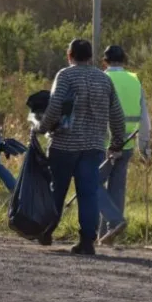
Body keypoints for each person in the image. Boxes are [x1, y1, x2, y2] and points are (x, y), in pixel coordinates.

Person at [35, 39, 125, 255]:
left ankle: (47, 231)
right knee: (88, 193)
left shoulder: (65, 75)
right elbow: (116, 114)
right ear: (91, 57)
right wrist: (116, 141)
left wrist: (42, 127)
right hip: (93, 146)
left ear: (70, 55)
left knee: (57, 189)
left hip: (65, 145)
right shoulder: (104, 80)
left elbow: (55, 105)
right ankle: (87, 241)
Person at [97, 45, 152, 245]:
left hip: (104, 143)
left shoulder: (102, 78)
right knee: (117, 188)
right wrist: (145, 146)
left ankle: (107, 226)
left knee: (93, 184)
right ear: (124, 61)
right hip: (127, 143)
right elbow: (145, 117)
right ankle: (109, 232)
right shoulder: (134, 80)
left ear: (105, 61)